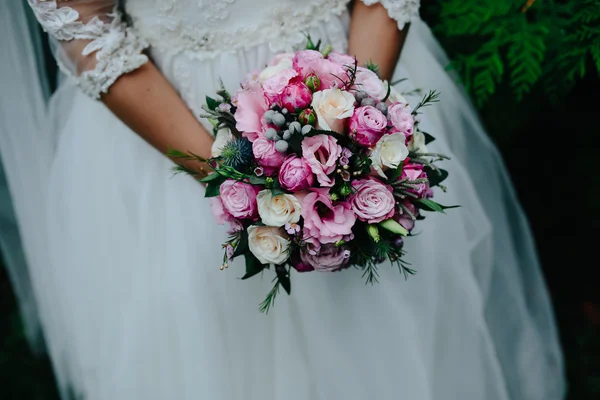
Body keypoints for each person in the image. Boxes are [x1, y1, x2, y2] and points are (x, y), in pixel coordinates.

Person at [1, 1, 563, 398]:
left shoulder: (356, 109)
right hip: (175, 127)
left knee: (388, 330)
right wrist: (235, 180)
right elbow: (84, 25)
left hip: (353, 72)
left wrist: (354, 126)